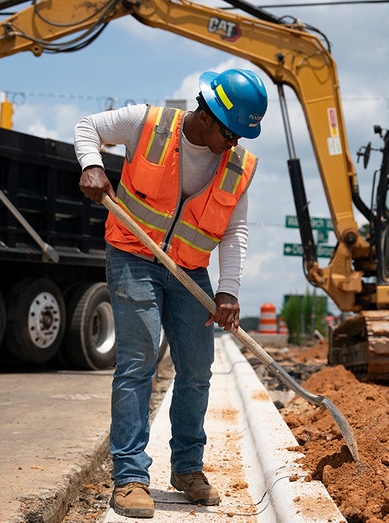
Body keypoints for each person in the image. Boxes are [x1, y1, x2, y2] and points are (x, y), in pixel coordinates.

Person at [74, 69, 268, 518]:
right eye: (230, 132)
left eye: (242, 135)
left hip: (189, 269)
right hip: (133, 254)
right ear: (205, 113)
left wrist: (228, 292)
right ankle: (129, 477)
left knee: (198, 368)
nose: (234, 143)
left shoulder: (237, 166)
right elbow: (87, 127)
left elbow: (234, 231)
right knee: (139, 363)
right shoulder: (147, 122)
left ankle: (186, 467)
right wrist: (91, 164)